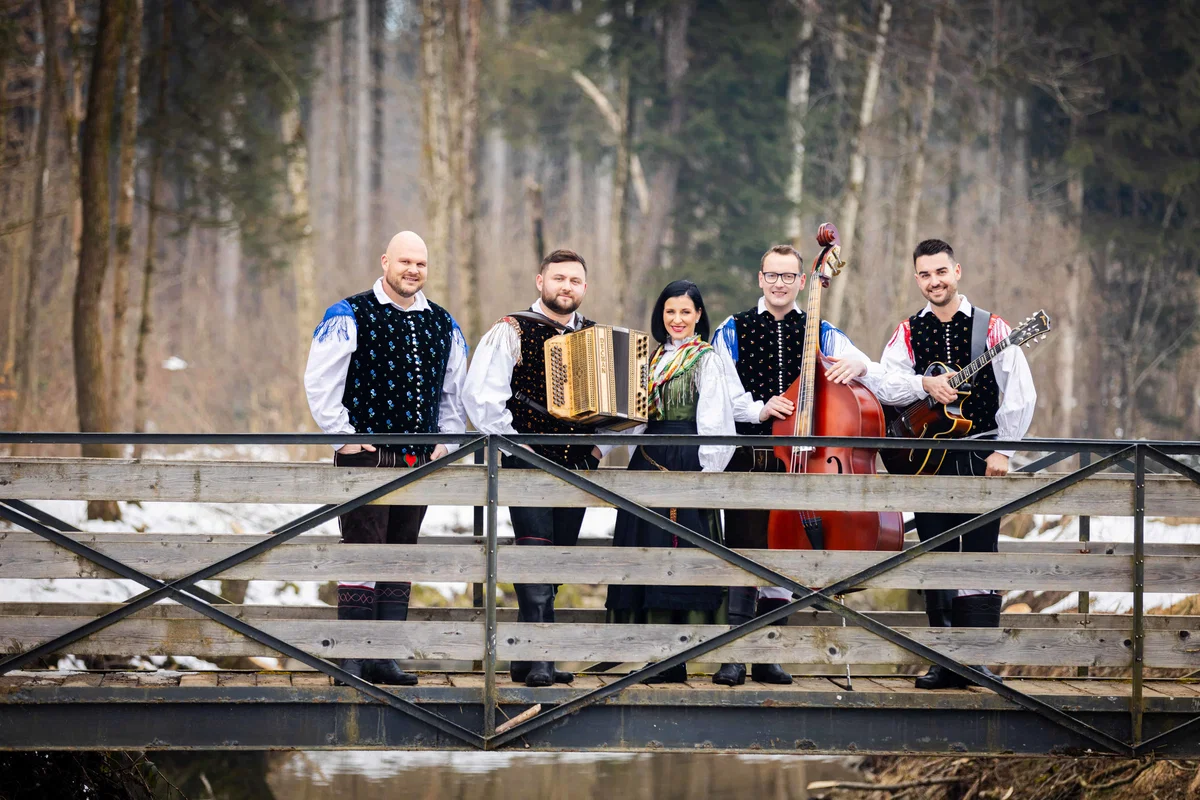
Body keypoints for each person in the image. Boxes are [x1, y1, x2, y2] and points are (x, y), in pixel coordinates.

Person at [710, 243, 886, 687]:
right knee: (745, 552)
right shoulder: (732, 329)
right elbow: (721, 392)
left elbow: (866, 370)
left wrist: (859, 363)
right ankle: (735, 657)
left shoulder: (822, 331)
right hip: (752, 458)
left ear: (802, 281)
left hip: (806, 464)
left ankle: (768, 656)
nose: (779, 283)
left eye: (789, 276)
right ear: (760, 278)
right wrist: (758, 409)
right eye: (772, 275)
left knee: (786, 556)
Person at [304, 230, 468, 687]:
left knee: (400, 553)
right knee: (362, 552)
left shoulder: (443, 323)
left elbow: (454, 393)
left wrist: (447, 441)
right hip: (366, 457)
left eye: (420, 263)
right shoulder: (349, 314)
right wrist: (343, 438)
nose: (413, 270)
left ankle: (383, 657)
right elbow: (320, 382)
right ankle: (352, 659)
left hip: (420, 460)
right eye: (405, 261)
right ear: (385, 262)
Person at [875, 238, 1036, 690]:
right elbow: (885, 384)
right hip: (925, 459)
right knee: (936, 553)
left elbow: (1020, 392)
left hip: (980, 455)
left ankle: (975, 660)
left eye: (941, 272)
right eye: (925, 274)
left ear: (957, 271)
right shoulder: (908, 331)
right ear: (917, 278)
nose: (934, 281)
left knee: (980, 553)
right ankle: (942, 662)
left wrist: (1004, 450)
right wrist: (923, 384)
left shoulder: (993, 327)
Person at [463, 248, 608, 687]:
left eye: (575, 280)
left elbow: (614, 404)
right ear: (540, 281)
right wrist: (515, 445)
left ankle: (525, 658)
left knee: (557, 558)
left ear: (585, 288)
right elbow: (480, 396)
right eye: (559, 278)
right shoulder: (511, 329)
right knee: (535, 553)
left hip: (578, 464)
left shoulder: (597, 337)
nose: (567, 287)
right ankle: (542, 658)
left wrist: (597, 449)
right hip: (526, 462)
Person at [604, 280, 736, 684]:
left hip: (687, 459)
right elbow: (635, 419)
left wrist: (706, 474)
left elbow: (717, 422)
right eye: (670, 312)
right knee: (646, 552)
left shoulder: (707, 360)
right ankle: (651, 653)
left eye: (685, 312)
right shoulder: (650, 358)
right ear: (660, 315)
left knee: (685, 555)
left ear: (698, 316)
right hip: (648, 461)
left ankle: (684, 654)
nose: (677, 319)